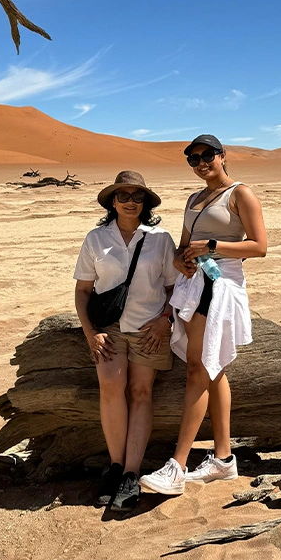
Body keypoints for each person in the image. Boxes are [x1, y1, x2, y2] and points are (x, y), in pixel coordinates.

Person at [139, 135, 267, 495]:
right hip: (194, 286)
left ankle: (177, 466)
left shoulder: (241, 194)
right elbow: (182, 248)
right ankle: (223, 460)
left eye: (207, 155)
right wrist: (182, 261)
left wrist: (213, 247)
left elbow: (259, 246)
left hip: (221, 284)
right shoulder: (194, 199)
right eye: (193, 158)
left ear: (223, 156)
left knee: (199, 367)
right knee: (213, 369)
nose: (200, 162)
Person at [74, 170, 179, 512]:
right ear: (112, 201)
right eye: (123, 196)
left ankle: (132, 473)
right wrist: (91, 333)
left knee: (140, 392)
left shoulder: (160, 238)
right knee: (110, 385)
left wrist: (166, 320)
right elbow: (82, 291)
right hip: (109, 327)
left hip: (151, 327)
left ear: (145, 202)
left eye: (137, 196)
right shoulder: (96, 238)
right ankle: (116, 466)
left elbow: (173, 288)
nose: (131, 202)